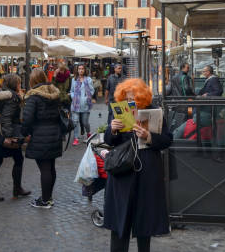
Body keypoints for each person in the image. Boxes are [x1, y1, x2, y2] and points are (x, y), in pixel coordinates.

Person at [104, 79, 172, 252]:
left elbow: (167, 139)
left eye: (133, 98)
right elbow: (109, 141)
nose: (129, 101)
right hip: (122, 169)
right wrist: (112, 129)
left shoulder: (154, 111)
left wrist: (149, 136)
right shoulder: (119, 109)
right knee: (120, 219)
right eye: (126, 97)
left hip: (147, 169)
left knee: (145, 218)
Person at [0, 74, 30, 202]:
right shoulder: (12, 97)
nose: (20, 86)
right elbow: (7, 118)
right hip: (7, 134)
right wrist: (9, 136)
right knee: (18, 159)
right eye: (19, 83)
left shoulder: (0, 94)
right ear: (14, 84)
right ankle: (15, 189)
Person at [22, 69, 62, 209]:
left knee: (45, 168)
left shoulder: (33, 97)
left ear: (32, 81)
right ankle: (48, 197)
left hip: (40, 134)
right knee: (50, 167)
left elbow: (27, 119)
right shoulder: (54, 94)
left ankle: (45, 200)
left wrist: (24, 133)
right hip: (55, 133)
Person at [70, 64, 94, 145]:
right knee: (75, 121)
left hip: (85, 104)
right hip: (75, 103)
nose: (81, 70)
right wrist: (73, 96)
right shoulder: (74, 79)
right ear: (77, 70)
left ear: (85, 70)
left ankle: (88, 133)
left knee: (85, 122)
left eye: (82, 69)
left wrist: (87, 98)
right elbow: (71, 91)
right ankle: (76, 138)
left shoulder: (88, 79)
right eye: (79, 69)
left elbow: (91, 90)